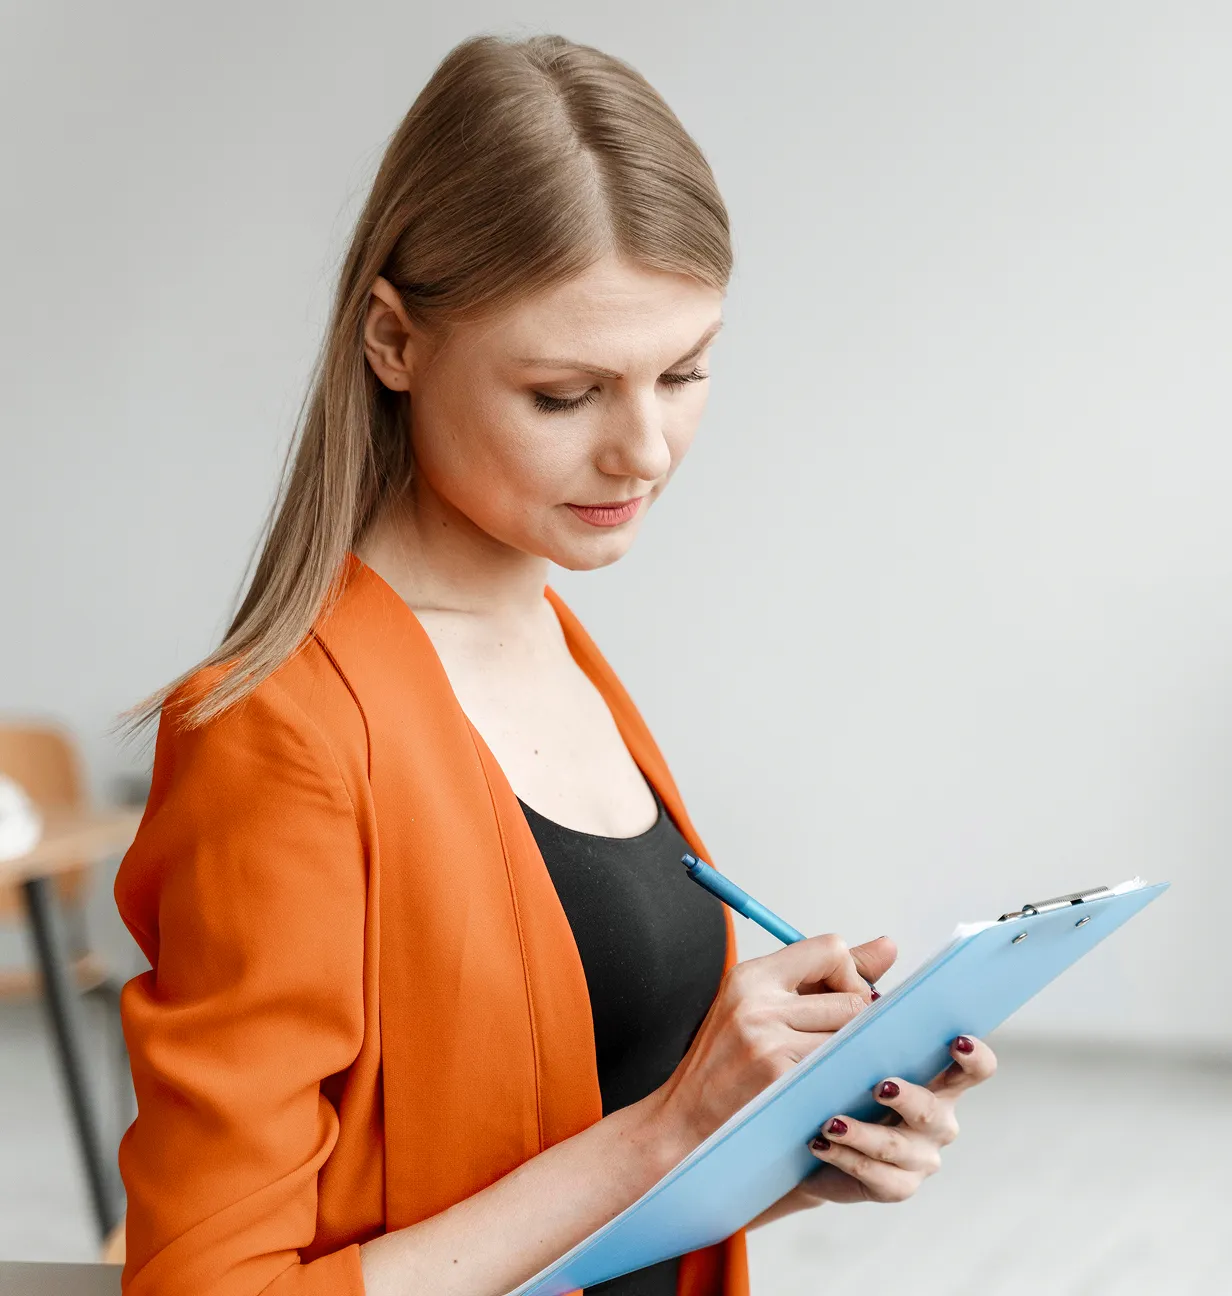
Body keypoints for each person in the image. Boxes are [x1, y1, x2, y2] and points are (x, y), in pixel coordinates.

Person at [113, 31, 996, 1296]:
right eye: (565, 394)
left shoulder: (554, 642)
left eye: (683, 372)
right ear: (392, 342)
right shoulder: (277, 735)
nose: (642, 451)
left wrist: (778, 1147)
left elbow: (539, 1176)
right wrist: (672, 1128)